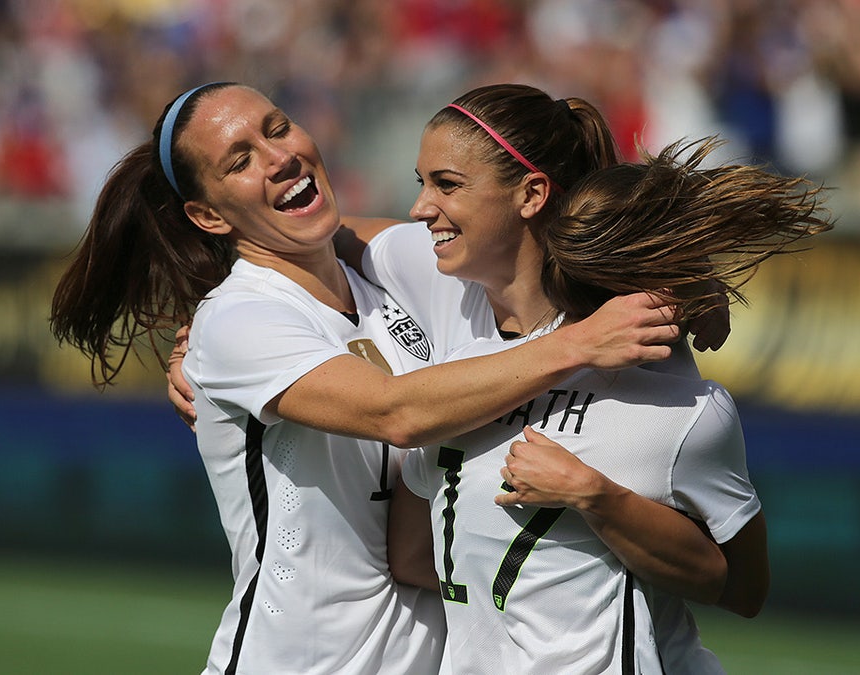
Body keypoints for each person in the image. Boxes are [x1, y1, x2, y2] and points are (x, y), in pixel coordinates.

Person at [49, 82, 713, 675]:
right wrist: (578, 344)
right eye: (240, 160)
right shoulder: (239, 319)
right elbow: (396, 412)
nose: (277, 155)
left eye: (276, 128)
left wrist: (688, 278)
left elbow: (526, 241)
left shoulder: (393, 275)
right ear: (210, 216)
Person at [358, 87, 830, 673]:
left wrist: (593, 497)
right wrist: (209, 308)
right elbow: (311, 241)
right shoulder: (443, 297)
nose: (420, 208)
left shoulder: (670, 391)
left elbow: (741, 588)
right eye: (422, 182)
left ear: (532, 194)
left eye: (447, 184)